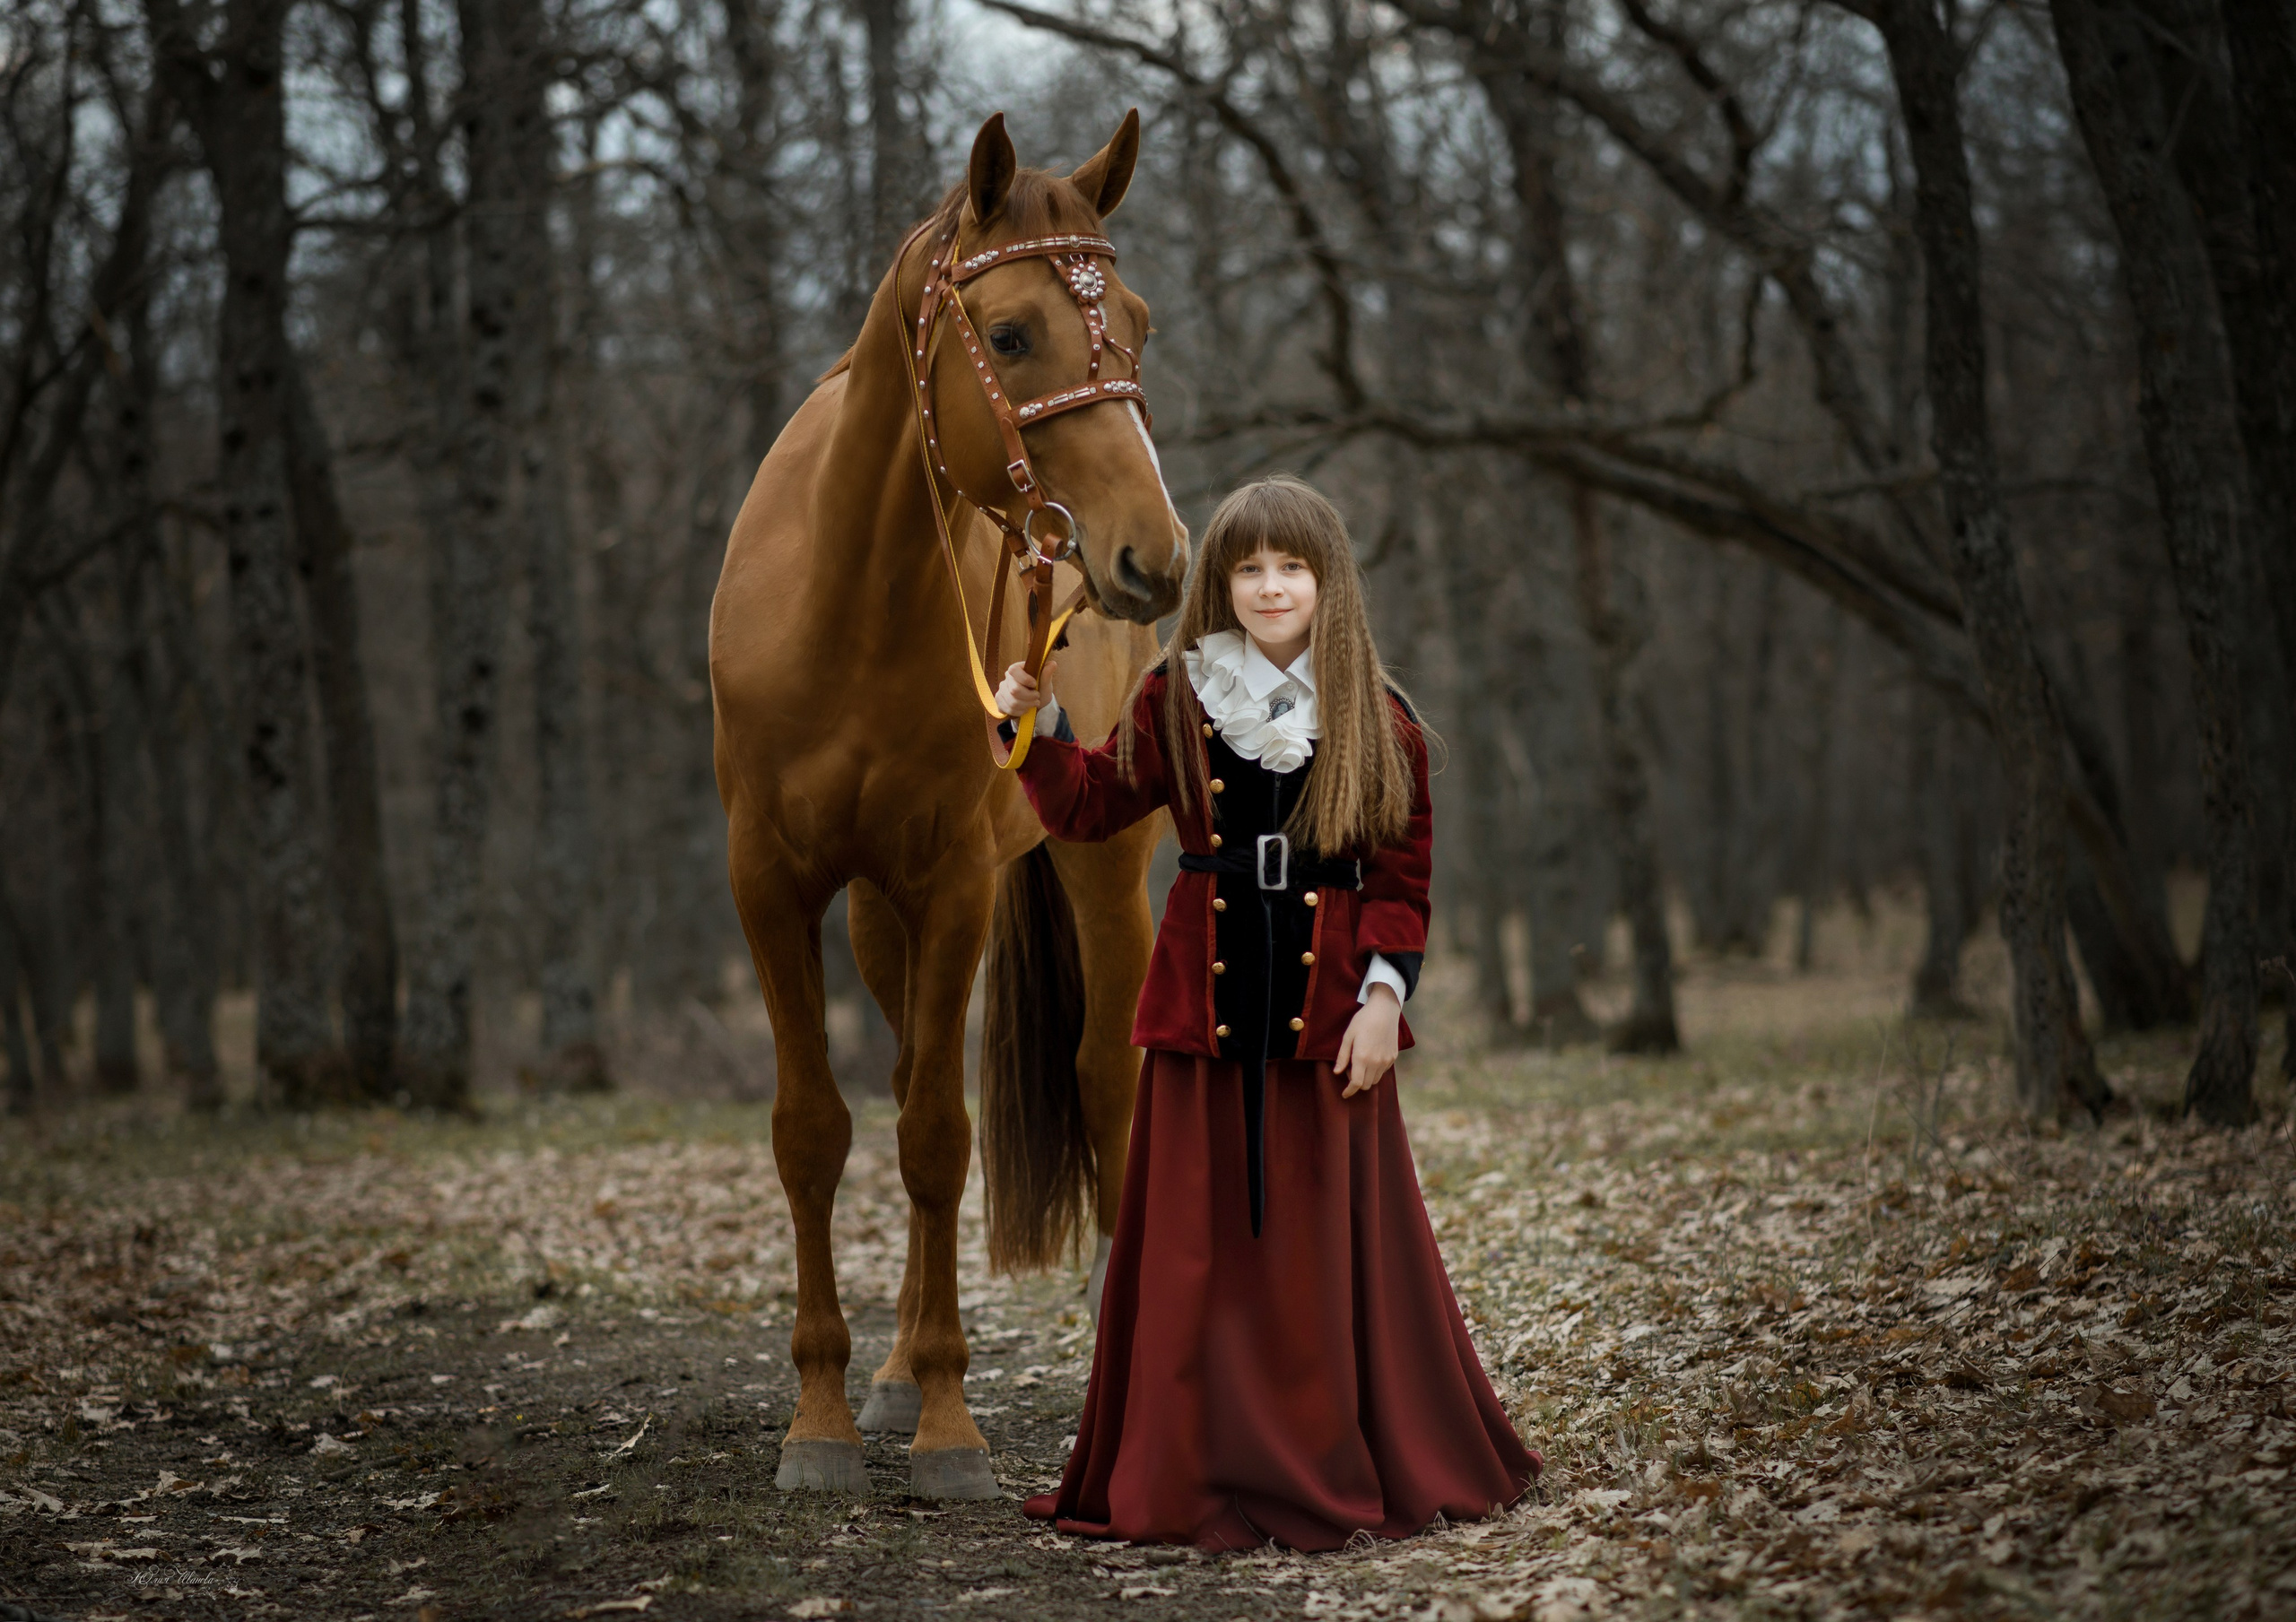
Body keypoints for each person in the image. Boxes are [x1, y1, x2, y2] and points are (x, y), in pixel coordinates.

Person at [994, 474, 1540, 1552]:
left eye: (1291, 566)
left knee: (1314, 1259)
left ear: (1327, 581)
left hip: (1328, 1021)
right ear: (1221, 584)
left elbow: (1401, 882)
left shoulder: (1384, 725)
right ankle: (1190, 1463)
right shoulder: (1175, 699)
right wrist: (1037, 727)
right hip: (1202, 1014)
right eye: (1248, 568)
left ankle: (1329, 1451)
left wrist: (1384, 1002)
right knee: (1196, 1255)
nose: (1270, 585)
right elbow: (1096, 805)